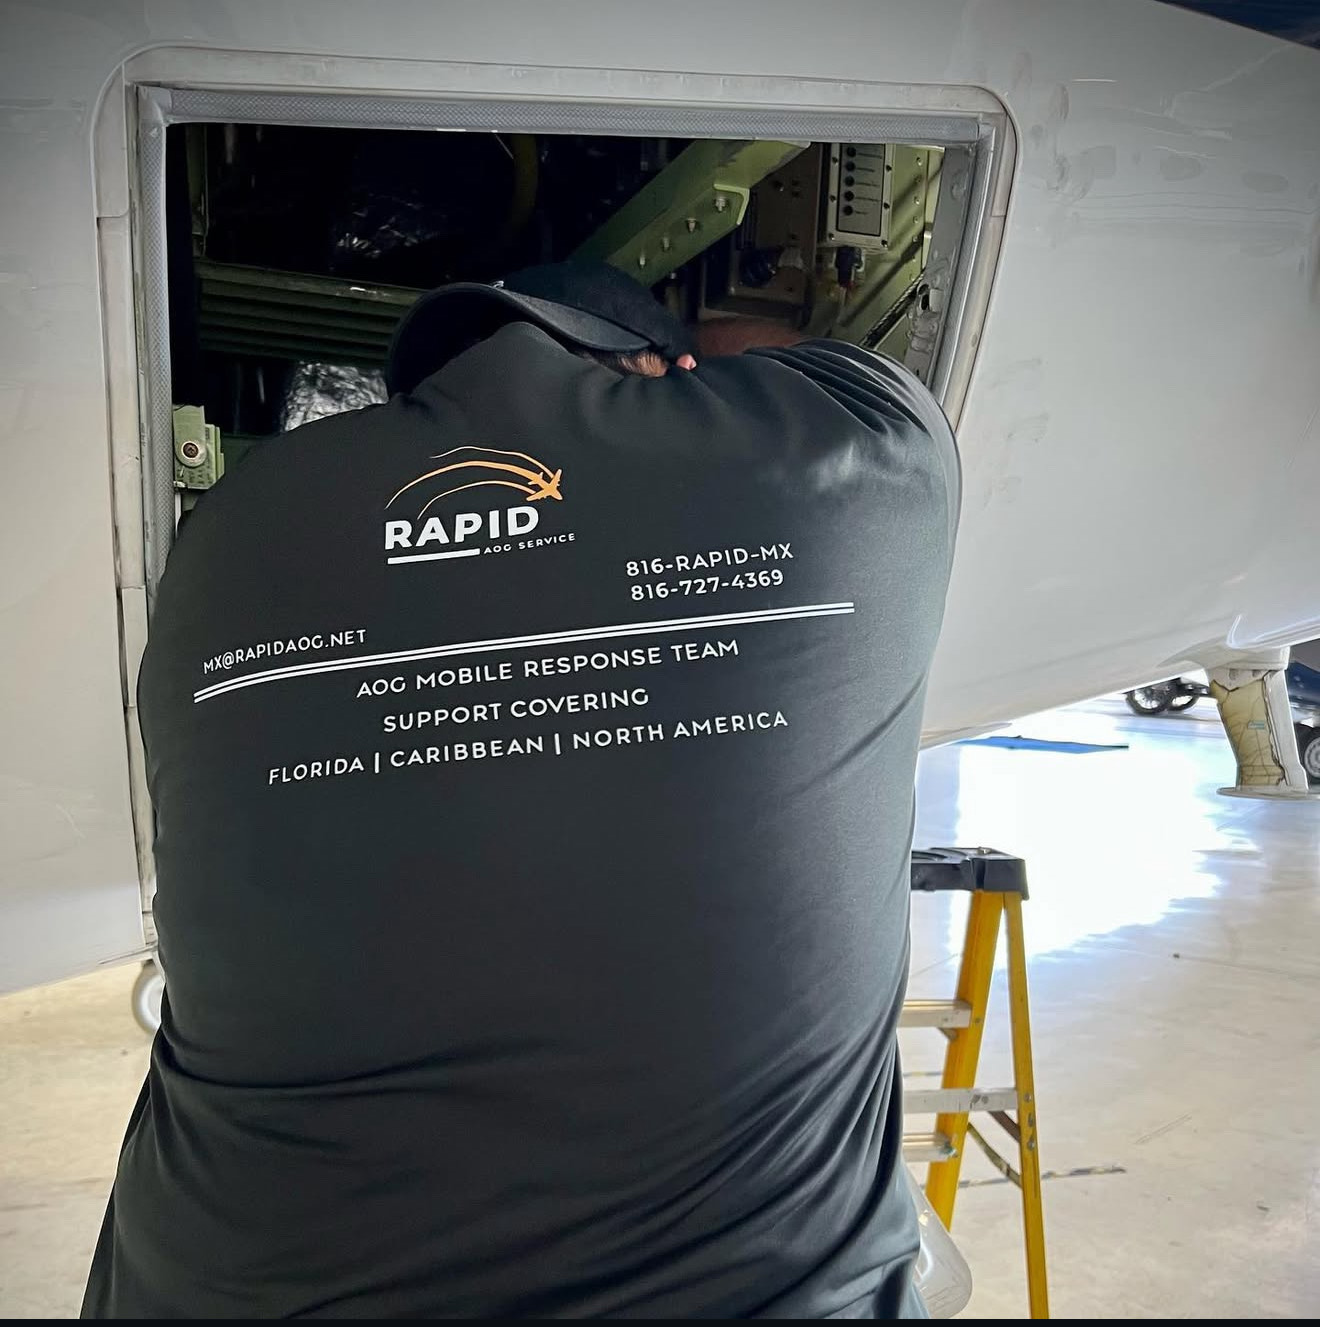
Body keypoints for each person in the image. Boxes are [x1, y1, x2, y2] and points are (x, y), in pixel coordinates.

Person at [83, 261, 960, 1319]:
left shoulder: (225, 532)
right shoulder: (852, 457)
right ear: (658, 373)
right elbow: (852, 374)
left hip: (224, 1287)